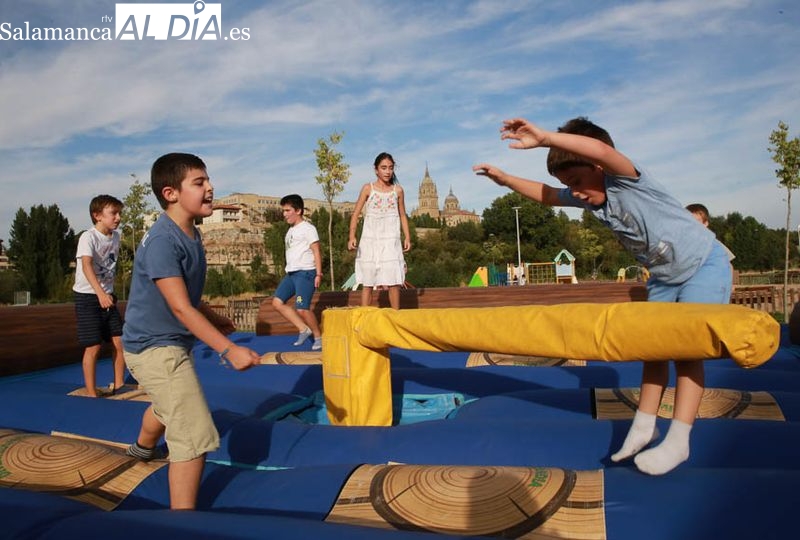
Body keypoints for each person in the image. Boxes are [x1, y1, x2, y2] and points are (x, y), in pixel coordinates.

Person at [474, 117, 732, 475]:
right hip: (664, 277)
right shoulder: (595, 201)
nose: (575, 191)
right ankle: (644, 424)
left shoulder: (628, 179)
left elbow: (600, 150)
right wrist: (506, 180)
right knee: (653, 348)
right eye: (570, 185)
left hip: (703, 263)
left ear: (598, 167)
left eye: (577, 182)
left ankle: (679, 438)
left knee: (686, 350)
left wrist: (547, 138)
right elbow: (548, 196)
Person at [122, 152, 260, 510]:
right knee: (193, 431)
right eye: (199, 183)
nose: (210, 187)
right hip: (152, 347)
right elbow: (180, 307)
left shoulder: (191, 234)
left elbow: (185, 298)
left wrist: (215, 318)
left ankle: (143, 447)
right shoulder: (163, 242)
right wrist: (228, 348)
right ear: (171, 193)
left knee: (169, 403)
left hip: (167, 343)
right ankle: (182, 521)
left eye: (208, 180)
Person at [73, 194, 127, 397]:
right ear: (97, 216)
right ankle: (90, 391)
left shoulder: (116, 237)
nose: (118, 217)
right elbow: (86, 265)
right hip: (88, 296)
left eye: (119, 213)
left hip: (108, 296)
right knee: (93, 346)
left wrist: (108, 293)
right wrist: (100, 293)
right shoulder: (88, 237)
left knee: (119, 342)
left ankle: (119, 384)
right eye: (113, 213)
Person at [348, 152, 411, 309]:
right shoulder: (367, 189)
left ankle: (396, 319)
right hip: (370, 239)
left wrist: (407, 237)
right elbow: (355, 214)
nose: (387, 171)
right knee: (368, 282)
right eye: (383, 168)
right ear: (376, 170)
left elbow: (403, 215)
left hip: (391, 239)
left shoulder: (398, 191)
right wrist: (351, 236)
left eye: (390, 168)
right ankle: (364, 320)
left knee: (394, 281)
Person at [272, 194, 324, 351]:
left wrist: (319, 274)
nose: (284, 214)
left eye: (288, 210)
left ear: (299, 210)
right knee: (277, 303)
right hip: (291, 274)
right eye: (284, 211)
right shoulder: (290, 231)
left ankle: (318, 337)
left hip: (306, 273)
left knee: (302, 308)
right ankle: (303, 329)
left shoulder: (308, 229)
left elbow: (316, 252)